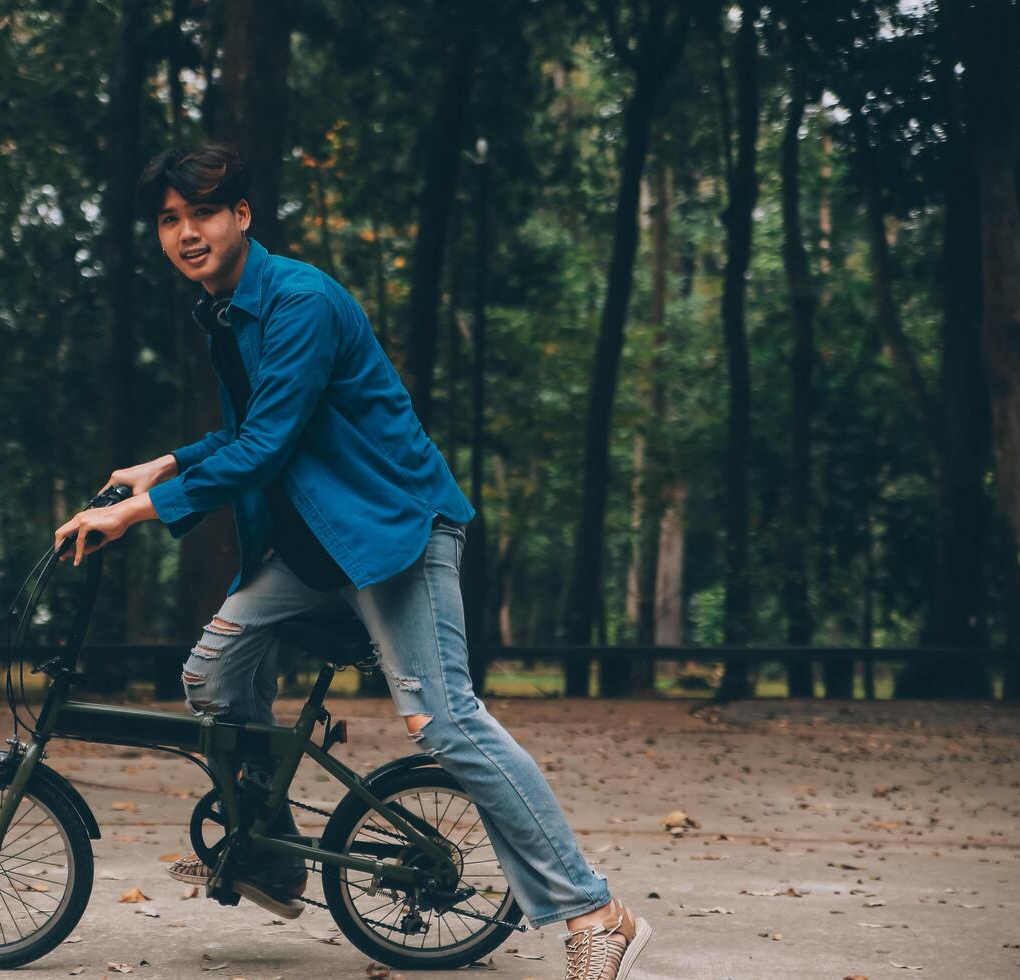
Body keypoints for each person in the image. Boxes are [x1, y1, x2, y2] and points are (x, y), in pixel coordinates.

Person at [52, 143, 652, 980]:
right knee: (215, 678)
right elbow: (249, 431)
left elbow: (265, 444)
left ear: (242, 217)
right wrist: (169, 464)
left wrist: (134, 512)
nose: (186, 233)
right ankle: (271, 857)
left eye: (203, 214)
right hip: (313, 545)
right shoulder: (226, 310)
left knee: (446, 721)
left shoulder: (299, 301)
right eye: (169, 220)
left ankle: (594, 910)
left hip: (392, 531)